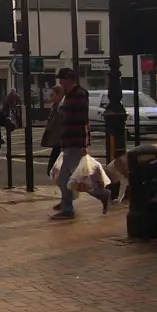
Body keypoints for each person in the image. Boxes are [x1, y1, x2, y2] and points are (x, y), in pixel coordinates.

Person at [53, 67, 110, 220]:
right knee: (73, 176)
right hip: (69, 140)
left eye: (61, 79)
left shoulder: (79, 94)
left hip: (75, 140)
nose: (60, 82)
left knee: (67, 177)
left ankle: (69, 209)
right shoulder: (69, 95)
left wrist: (84, 143)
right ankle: (100, 195)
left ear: (67, 79)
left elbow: (82, 119)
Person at [40, 84, 66, 176]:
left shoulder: (62, 108)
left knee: (54, 170)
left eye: (52, 95)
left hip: (61, 142)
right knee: (53, 170)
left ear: (59, 95)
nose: (50, 98)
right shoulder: (55, 107)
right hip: (57, 142)